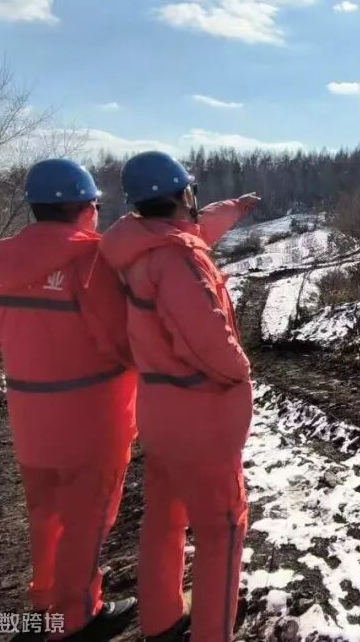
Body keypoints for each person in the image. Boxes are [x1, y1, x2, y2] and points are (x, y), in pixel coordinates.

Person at [99, 151, 258, 642]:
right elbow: (206, 338)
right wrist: (240, 372)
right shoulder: (177, 259)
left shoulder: (138, 245)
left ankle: (162, 620)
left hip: (161, 410)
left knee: (165, 520)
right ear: (181, 194)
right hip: (200, 417)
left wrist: (235, 207)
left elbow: (194, 229)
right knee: (223, 530)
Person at [0, 158, 138, 636]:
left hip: (30, 418)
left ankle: (46, 602)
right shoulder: (90, 262)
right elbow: (122, 341)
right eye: (95, 206)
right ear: (84, 208)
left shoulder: (2, 262)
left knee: (44, 515)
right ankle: (76, 617)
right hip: (93, 419)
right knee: (87, 520)